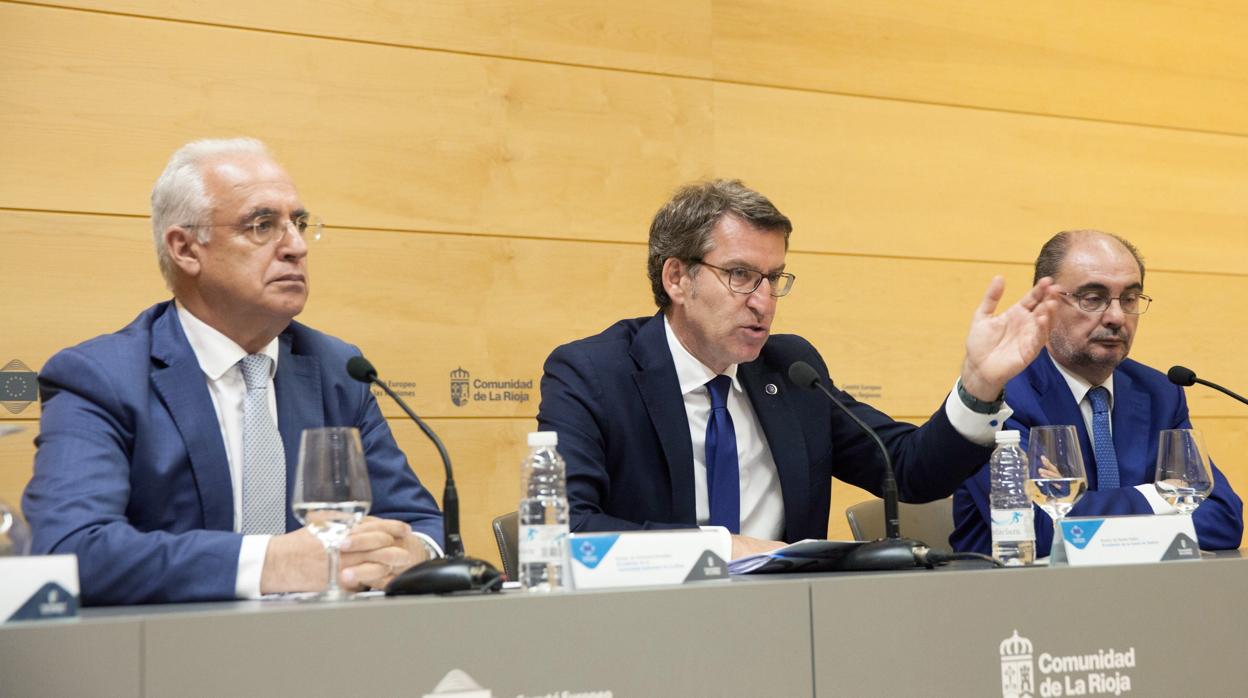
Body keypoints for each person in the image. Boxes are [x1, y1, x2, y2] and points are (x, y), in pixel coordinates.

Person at [536, 179, 1061, 558]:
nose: (763, 301)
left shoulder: (790, 370)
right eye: (741, 275)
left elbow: (908, 470)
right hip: (652, 626)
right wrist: (723, 547)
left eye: (774, 278)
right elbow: (570, 528)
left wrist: (979, 384)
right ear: (677, 278)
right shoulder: (593, 374)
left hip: (789, 623)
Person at [23, 138, 443, 605]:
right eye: (263, 225)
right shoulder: (101, 378)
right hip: (169, 661)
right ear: (186, 249)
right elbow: (71, 551)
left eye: (299, 224)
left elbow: (421, 524)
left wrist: (408, 557)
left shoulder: (338, 369)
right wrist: (274, 562)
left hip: (331, 655)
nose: (297, 247)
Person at [951, 230, 1243, 556]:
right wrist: (1158, 497)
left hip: (1144, 598)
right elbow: (1042, 532)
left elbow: (1223, 520)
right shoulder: (997, 397)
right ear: (1045, 305)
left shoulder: (1160, 393)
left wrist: (1079, 505)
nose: (1117, 317)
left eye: (1130, 298)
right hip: (1019, 597)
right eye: (1093, 298)